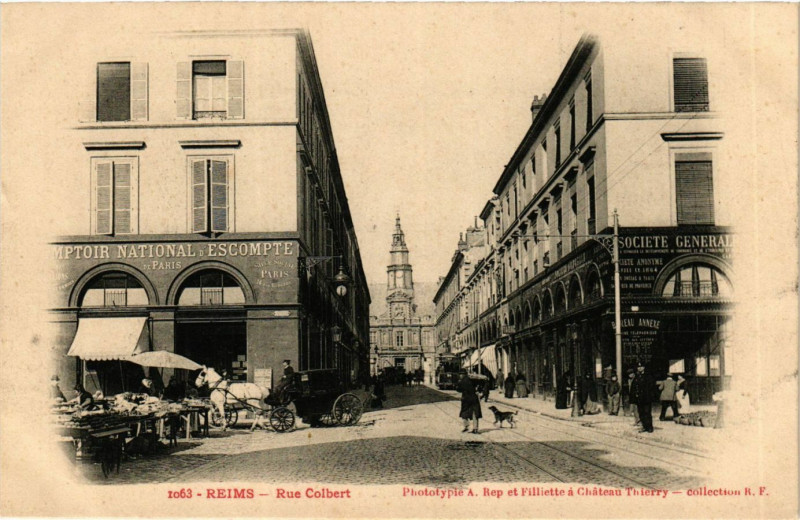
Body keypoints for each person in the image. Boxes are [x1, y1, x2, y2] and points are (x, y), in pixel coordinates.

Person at [631, 364, 656, 433]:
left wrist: (650, 396)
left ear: (644, 367)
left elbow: (651, 387)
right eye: (638, 367)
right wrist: (633, 397)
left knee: (647, 412)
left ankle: (649, 427)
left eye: (641, 367)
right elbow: (633, 388)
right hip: (639, 399)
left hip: (646, 398)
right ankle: (644, 426)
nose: (639, 368)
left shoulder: (648, 376)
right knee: (641, 413)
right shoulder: (636, 377)